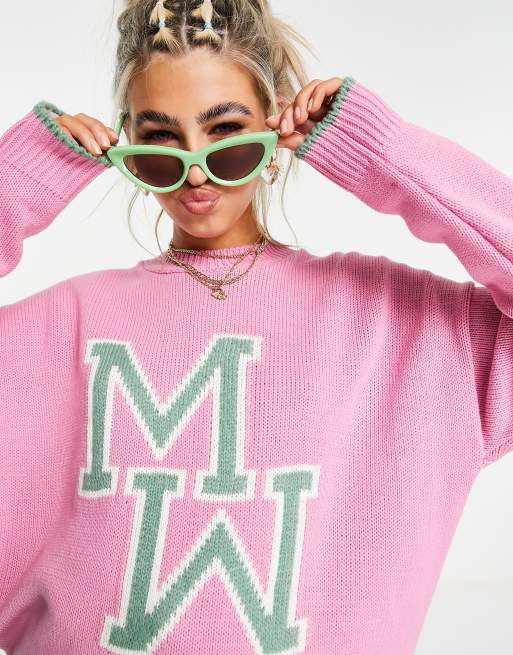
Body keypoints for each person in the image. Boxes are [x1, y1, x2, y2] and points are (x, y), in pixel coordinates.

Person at [1, 0, 512, 653]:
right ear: (127, 144)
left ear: (273, 132)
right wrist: (20, 179)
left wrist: (381, 151)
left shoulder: (397, 324)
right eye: (160, 141)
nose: (195, 171)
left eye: (227, 133)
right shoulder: (58, 326)